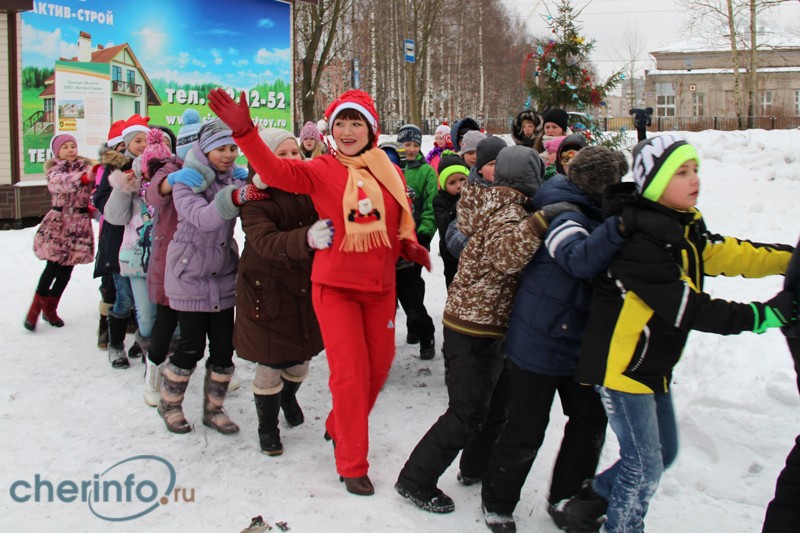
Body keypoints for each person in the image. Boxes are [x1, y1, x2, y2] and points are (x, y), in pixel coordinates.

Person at [563, 134, 798, 533]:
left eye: (695, 169)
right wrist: (764, 315)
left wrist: (789, 259)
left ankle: (589, 501)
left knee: (663, 453)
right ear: (654, 183)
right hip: (623, 370)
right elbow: (689, 308)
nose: (694, 179)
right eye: (681, 172)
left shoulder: (679, 226)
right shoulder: (640, 243)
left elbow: (725, 252)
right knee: (644, 465)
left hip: (652, 365)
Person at [208, 88, 430, 496]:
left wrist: (406, 243)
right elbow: (275, 172)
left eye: (356, 123)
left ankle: (338, 423)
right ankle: (352, 462)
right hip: (335, 289)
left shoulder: (389, 170)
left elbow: (394, 218)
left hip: (380, 288)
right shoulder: (322, 168)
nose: (347, 131)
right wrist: (245, 133)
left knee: (377, 371)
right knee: (350, 375)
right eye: (340, 123)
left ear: (371, 129)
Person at [395, 145, 557, 514]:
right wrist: (541, 222)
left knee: (496, 406)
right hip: (472, 327)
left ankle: (474, 465)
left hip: (490, 325)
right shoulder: (509, 211)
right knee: (466, 412)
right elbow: (505, 257)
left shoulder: (501, 203)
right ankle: (415, 479)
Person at [479, 146, 629, 532]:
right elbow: (579, 260)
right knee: (526, 427)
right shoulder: (566, 214)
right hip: (540, 340)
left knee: (589, 422)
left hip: (583, 342)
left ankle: (566, 498)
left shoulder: (599, 212)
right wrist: (619, 226)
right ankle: (497, 500)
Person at [157, 118, 263, 436]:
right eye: (221, 149)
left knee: (223, 350)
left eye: (232, 148)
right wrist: (235, 196)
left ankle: (214, 409)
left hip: (222, 275)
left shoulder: (233, 178)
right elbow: (202, 218)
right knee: (190, 347)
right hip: (188, 274)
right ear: (204, 150)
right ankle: (170, 404)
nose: (228, 154)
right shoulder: (187, 182)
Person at [229, 127, 327, 456]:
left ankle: (287, 397)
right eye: (280, 154)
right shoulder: (256, 196)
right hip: (266, 288)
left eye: (294, 152)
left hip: (303, 284)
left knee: (300, 361)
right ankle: (267, 427)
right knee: (270, 363)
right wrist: (307, 238)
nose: (290, 159)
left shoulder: (308, 185)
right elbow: (264, 241)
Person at [93, 114, 151, 368]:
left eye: (146, 140)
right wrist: (123, 190)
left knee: (143, 301)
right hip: (119, 244)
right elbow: (101, 202)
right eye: (137, 140)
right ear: (126, 143)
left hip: (143, 243)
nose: (142, 145)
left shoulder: (153, 166)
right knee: (124, 297)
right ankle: (115, 343)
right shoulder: (116, 168)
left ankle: (141, 340)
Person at [24, 134, 94, 331]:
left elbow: (95, 189)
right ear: (57, 152)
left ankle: (50, 309)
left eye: (73, 146)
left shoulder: (86, 168)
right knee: (52, 266)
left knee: (67, 270)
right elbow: (62, 184)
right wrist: (83, 178)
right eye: (65, 147)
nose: (70, 150)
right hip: (59, 223)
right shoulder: (54, 170)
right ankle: (34, 312)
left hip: (79, 224)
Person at [397, 124, 437, 357]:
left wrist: (424, 234)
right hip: (394, 240)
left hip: (416, 238)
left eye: (414, 145)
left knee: (411, 284)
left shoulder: (426, 171)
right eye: (406, 144)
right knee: (400, 286)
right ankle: (413, 325)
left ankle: (421, 328)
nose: (410, 149)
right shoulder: (392, 168)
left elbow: (431, 206)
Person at [90, 120, 126, 348]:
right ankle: (105, 328)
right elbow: (99, 199)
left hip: (132, 233)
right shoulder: (106, 168)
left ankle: (127, 320)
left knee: (128, 284)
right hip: (111, 230)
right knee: (111, 283)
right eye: (122, 146)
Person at [432, 152, 470, 289]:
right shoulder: (440, 201)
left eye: (463, 179)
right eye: (452, 182)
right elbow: (442, 225)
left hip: (471, 251)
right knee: (454, 283)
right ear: (444, 185)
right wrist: (454, 209)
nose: (459, 185)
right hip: (450, 254)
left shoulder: (474, 196)